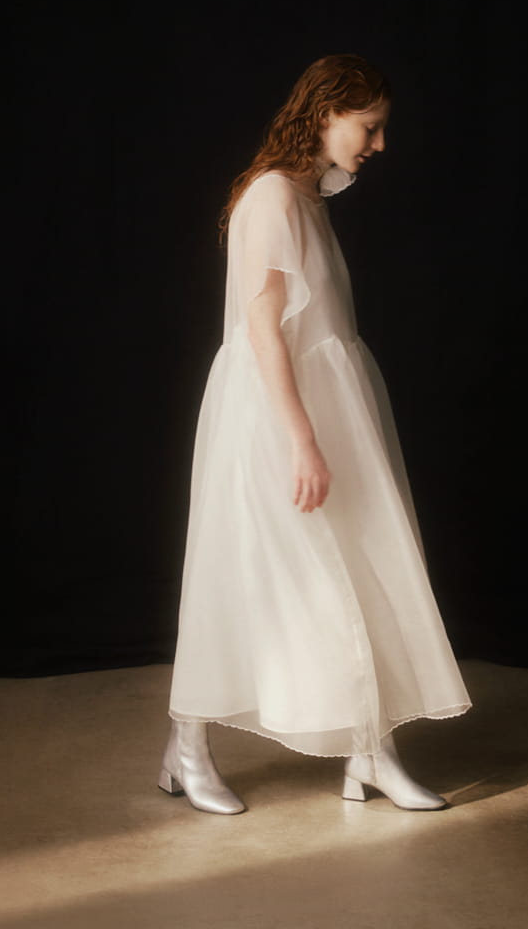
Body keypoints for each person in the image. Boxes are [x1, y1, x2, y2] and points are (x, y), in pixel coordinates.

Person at [159, 54, 471, 814]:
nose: (379, 145)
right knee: (247, 578)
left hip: (326, 407)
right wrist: (301, 439)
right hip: (276, 414)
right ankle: (186, 750)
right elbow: (263, 332)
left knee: (357, 575)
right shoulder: (271, 197)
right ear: (327, 112)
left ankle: (369, 754)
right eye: (370, 127)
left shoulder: (306, 197)